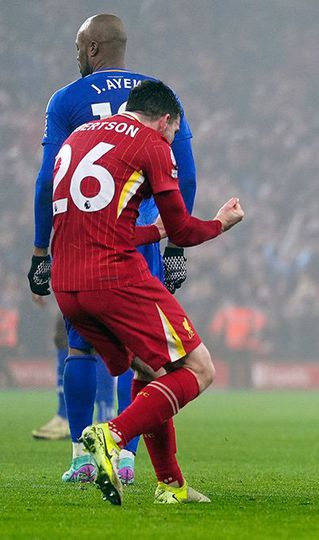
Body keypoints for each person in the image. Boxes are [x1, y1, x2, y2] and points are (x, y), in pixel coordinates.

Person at [50, 79, 243, 505]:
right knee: (199, 368)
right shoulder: (151, 143)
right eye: (174, 133)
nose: (173, 141)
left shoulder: (79, 136)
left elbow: (90, 221)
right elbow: (182, 231)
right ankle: (111, 435)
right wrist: (220, 224)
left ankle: (170, 485)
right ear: (166, 119)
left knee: (152, 373)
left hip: (67, 284)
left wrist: (144, 232)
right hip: (114, 278)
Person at [27, 13, 197, 483]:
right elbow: (186, 171)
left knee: (80, 350)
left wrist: (42, 249)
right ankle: (125, 459)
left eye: (79, 46)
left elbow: (47, 181)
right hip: (140, 239)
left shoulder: (67, 100)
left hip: (82, 242)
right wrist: (176, 244)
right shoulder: (158, 96)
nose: (76, 55)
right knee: (147, 357)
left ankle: (83, 459)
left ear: (94, 49)